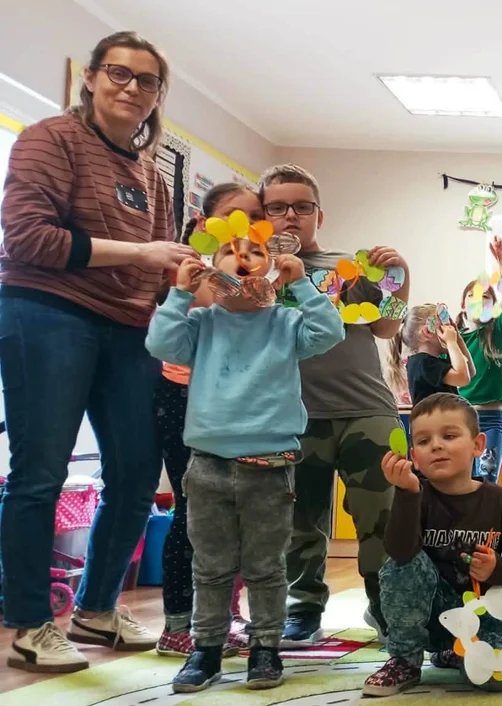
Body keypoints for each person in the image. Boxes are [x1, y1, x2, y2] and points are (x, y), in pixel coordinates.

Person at [0, 31, 194, 672]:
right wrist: (140, 255)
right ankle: (30, 623)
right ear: (90, 77)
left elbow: (164, 265)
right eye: (119, 73)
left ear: (157, 95)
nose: (131, 87)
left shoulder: (151, 173)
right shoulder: (49, 139)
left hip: (129, 329)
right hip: (46, 312)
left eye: (147, 80)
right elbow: (29, 239)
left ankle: (96, 608)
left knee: (138, 474)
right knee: (40, 475)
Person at [147, 220, 345, 692]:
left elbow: (331, 331)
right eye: (230, 253)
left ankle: (265, 648)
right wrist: (179, 294)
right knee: (210, 566)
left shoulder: (287, 322)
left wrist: (301, 283)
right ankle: (207, 650)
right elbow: (160, 344)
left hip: (270, 466)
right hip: (207, 465)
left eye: (254, 252)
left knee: (266, 566)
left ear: (271, 267)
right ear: (211, 269)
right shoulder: (200, 323)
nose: (242, 258)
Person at [261, 164, 410, 647]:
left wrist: (400, 277)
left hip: (367, 410)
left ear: (318, 215)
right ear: (262, 216)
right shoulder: (249, 270)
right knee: (298, 520)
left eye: (302, 207)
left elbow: (388, 328)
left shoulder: (349, 267)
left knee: (380, 516)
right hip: (293, 415)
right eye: (277, 207)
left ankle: (384, 604)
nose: (290, 217)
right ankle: (302, 610)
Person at [362, 394, 502, 697]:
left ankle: (454, 652)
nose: (436, 446)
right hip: (425, 615)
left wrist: (498, 568)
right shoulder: (415, 496)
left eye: (449, 435)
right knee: (403, 564)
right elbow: (400, 553)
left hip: (479, 614)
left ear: (478, 445)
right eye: (423, 440)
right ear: (414, 456)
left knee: (497, 680)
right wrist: (406, 494)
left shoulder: (498, 501)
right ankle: (404, 659)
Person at [154, 183, 260, 657]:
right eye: (234, 217)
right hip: (185, 395)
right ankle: (178, 622)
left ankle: (225, 611)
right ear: (204, 224)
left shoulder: (255, 269)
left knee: (235, 513)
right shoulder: (196, 273)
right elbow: (217, 302)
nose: (244, 226)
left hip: (236, 402)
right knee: (192, 511)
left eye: (255, 218)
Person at [457, 236, 502, 484]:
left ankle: (482, 523)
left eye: (486, 297)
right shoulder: (455, 337)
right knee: (461, 476)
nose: (480, 301)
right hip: (462, 417)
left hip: (492, 417)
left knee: (486, 478)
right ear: (463, 305)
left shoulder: (496, 332)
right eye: (474, 297)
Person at [387, 304, 475, 407]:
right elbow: (463, 378)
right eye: (444, 326)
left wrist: (458, 339)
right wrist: (451, 342)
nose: (451, 330)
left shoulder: (432, 361)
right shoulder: (422, 363)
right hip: (435, 422)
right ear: (428, 332)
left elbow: (470, 372)